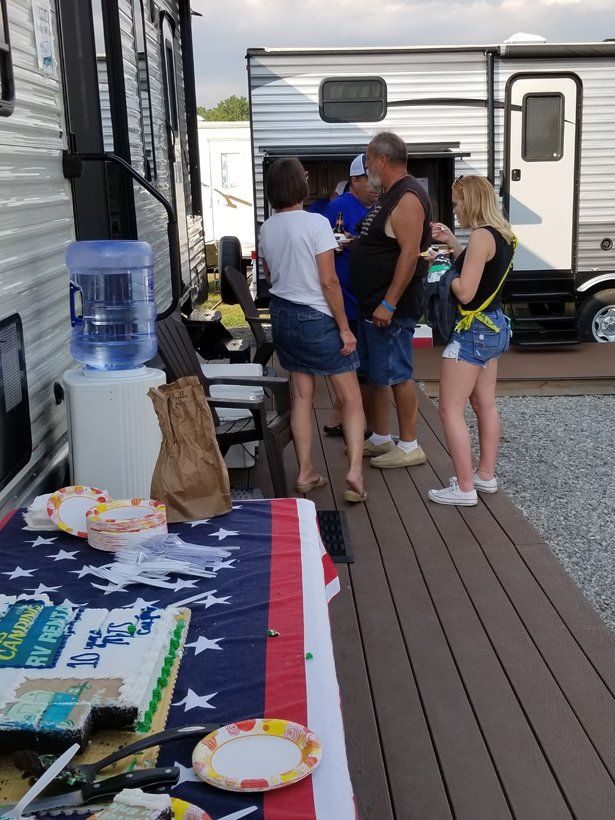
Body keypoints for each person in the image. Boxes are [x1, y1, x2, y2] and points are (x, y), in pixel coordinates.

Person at [259, 157, 367, 503]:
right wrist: (345, 328)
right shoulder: (317, 224)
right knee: (350, 398)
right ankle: (354, 472)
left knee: (302, 396)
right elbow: (329, 282)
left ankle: (305, 471)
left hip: (283, 316)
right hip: (316, 318)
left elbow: (269, 277)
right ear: (300, 185)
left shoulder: (267, 228)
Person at [428, 175, 516, 506]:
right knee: (485, 404)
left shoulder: (481, 236)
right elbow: (481, 271)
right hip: (493, 327)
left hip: (472, 331)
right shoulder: (503, 235)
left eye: (456, 202)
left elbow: (466, 291)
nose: (455, 209)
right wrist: (453, 243)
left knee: (450, 409)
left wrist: (440, 270)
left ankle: (464, 488)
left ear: (471, 201)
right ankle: (485, 476)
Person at [349, 131, 432, 469]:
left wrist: (389, 303)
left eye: (369, 162)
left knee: (398, 373)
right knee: (373, 375)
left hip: (390, 308)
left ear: (382, 161)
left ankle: (409, 443)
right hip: (372, 305)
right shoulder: (389, 195)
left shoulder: (408, 197)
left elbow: (410, 256)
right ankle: (382, 437)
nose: (367, 168)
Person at [321, 153, 378, 436]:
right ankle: (357, 425)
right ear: (355, 181)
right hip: (346, 300)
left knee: (354, 364)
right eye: (370, 180)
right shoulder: (339, 206)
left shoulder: (376, 205)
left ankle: (335, 420)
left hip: (363, 298)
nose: (375, 185)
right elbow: (321, 245)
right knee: (353, 365)